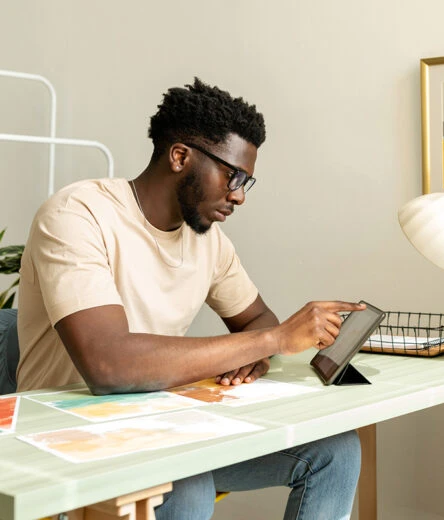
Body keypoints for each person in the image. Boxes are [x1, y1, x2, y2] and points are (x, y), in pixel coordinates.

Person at [16, 78, 364, 520]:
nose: (238, 194)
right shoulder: (77, 214)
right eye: (232, 175)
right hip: (67, 437)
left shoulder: (209, 241)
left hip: (163, 426)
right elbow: (109, 365)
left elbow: (256, 318)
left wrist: (256, 345)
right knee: (186, 480)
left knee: (336, 450)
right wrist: (271, 342)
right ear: (180, 156)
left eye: (246, 182)